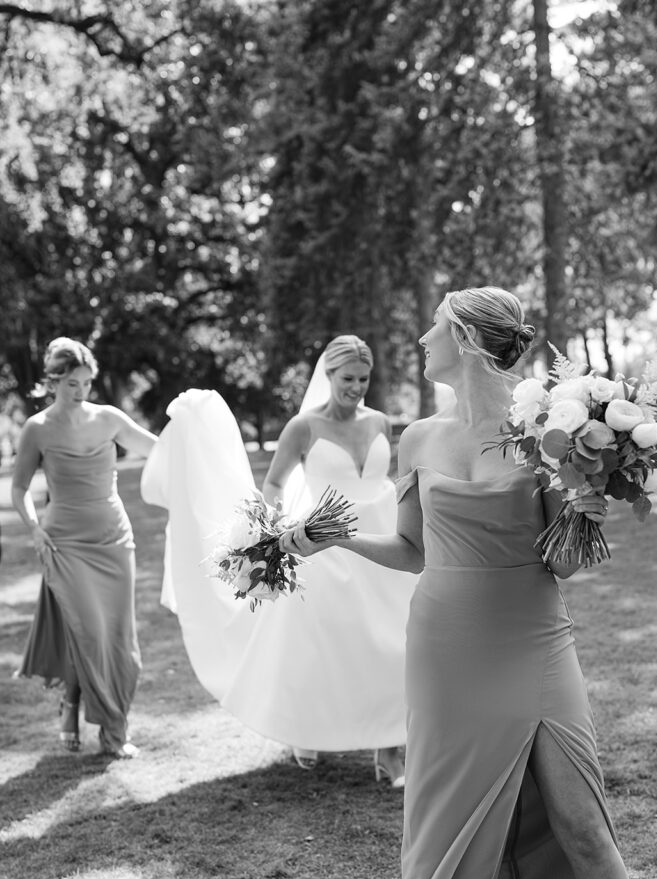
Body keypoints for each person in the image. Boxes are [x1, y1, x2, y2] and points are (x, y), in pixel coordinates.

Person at [280, 289, 645, 879]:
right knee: (443, 827)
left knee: (583, 826)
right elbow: (413, 551)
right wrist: (334, 540)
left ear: (470, 340)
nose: (421, 338)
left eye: (435, 327)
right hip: (444, 649)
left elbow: (560, 565)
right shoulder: (417, 437)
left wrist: (588, 507)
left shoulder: (547, 434)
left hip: (533, 642)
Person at [140, 336, 416, 785]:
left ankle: (389, 748)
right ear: (328, 376)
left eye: (363, 379)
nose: (356, 388)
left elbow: (385, 481)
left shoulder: (380, 422)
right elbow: (273, 484)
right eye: (348, 379)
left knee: (395, 641)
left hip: (382, 539)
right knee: (324, 645)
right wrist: (271, 531)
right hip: (324, 544)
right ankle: (307, 726)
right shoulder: (303, 427)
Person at [12, 337, 157, 758]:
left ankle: (114, 733)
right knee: (88, 632)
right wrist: (34, 528)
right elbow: (19, 488)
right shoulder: (37, 428)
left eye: (87, 383)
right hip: (64, 542)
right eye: (72, 383)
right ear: (54, 381)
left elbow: (157, 449)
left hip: (114, 539)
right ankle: (73, 702)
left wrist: (194, 422)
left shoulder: (109, 418)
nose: (81, 392)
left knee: (117, 639)